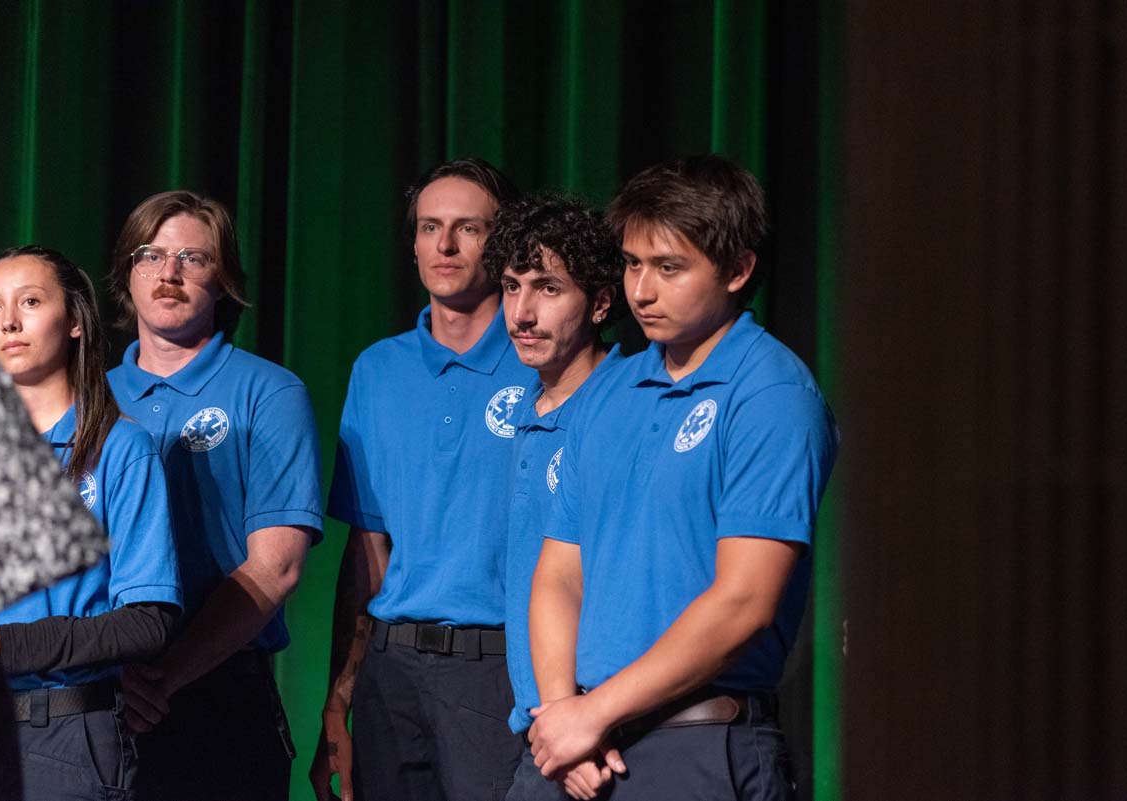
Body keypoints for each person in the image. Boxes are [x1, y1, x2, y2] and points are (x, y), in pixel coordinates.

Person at [526, 155, 839, 800]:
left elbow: (744, 603)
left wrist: (595, 713)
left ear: (738, 270)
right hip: (581, 750)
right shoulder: (611, 392)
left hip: (697, 745)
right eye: (633, 264)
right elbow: (559, 571)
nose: (641, 291)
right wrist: (563, 717)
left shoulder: (771, 393)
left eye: (669, 268)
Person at [311, 158, 529, 801]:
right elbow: (368, 549)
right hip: (392, 671)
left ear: (504, 243)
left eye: (469, 228)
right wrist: (336, 703)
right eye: (430, 227)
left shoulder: (543, 358)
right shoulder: (378, 369)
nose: (446, 244)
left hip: (504, 669)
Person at [106, 191, 324, 801]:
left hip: (221, 701)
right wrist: (107, 668)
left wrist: (166, 676)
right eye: (151, 255)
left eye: (192, 259)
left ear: (224, 279)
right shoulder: (91, 399)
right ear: (128, 269)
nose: (168, 273)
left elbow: (276, 567)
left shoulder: (270, 392)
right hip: (102, 695)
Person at [0, 245, 183, 801]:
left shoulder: (120, 449)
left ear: (74, 321)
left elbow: (147, 621)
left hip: (64, 734)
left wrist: (5, 647)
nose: (9, 321)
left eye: (29, 301)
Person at [481, 195, 628, 801]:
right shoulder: (520, 410)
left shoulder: (625, 406)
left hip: (609, 734)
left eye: (546, 288)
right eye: (512, 288)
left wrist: (582, 724)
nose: (522, 312)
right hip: (543, 730)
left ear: (598, 302)